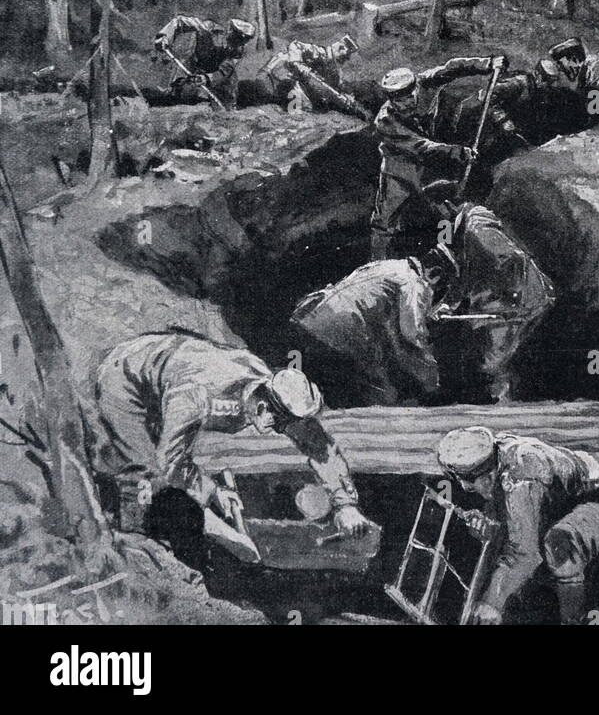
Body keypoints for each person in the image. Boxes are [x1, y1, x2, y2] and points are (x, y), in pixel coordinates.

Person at [95, 330, 371, 538]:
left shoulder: (277, 397)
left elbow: (320, 448)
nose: (283, 430)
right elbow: (171, 461)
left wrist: (344, 504)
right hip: (125, 378)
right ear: (264, 407)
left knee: (144, 453)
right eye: (280, 422)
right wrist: (214, 491)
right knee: (145, 468)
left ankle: (104, 479)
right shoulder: (200, 396)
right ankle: (138, 539)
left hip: (165, 379)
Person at [437, 426, 599, 625]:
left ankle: (574, 620)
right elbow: (514, 518)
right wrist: (490, 524)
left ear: (487, 474)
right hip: (557, 503)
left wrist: (492, 602)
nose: (464, 487)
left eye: (467, 480)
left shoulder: (521, 477)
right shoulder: (498, 460)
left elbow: (526, 554)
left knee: (558, 545)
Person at [369, 54, 507, 258]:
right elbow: (421, 146)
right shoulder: (385, 122)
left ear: (415, 88)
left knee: (445, 211)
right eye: (400, 101)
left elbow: (453, 67)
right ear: (391, 100)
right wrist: (459, 152)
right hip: (398, 169)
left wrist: (486, 64)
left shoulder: (426, 83)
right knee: (384, 222)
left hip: (429, 167)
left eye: (409, 97)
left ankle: (445, 256)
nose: (406, 104)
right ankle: (377, 263)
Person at [289, 246, 458, 406]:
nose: (435, 291)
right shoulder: (415, 284)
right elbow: (412, 335)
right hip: (337, 333)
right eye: (441, 286)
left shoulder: (389, 265)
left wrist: (429, 313)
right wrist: (432, 383)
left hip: (308, 319)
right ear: (435, 274)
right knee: (382, 394)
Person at [434, 202, 554, 401]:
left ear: (446, 206)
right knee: (493, 360)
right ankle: (498, 401)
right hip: (514, 300)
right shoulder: (470, 230)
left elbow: (511, 259)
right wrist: (449, 304)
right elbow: (469, 271)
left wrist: (514, 301)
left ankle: (498, 405)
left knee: (491, 361)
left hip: (517, 302)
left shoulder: (477, 229)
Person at [256, 34, 370, 119]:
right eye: (346, 55)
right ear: (340, 48)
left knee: (308, 107)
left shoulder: (332, 69)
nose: (347, 59)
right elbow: (295, 45)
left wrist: (346, 97)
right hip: (274, 75)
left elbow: (332, 87)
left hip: (290, 85)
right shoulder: (317, 52)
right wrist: (298, 63)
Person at [154, 15, 255, 109]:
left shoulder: (238, 50)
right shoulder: (208, 28)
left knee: (225, 107)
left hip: (217, 78)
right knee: (181, 96)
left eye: (244, 40)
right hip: (195, 66)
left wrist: (207, 78)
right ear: (230, 30)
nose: (239, 43)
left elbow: (226, 71)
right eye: (237, 37)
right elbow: (179, 21)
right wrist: (164, 36)